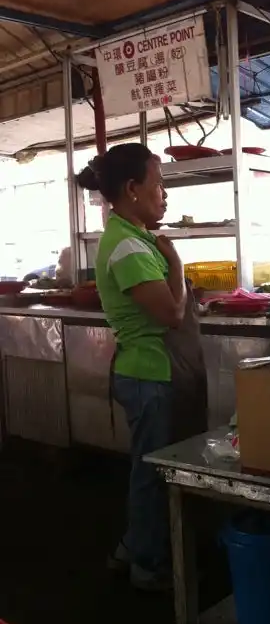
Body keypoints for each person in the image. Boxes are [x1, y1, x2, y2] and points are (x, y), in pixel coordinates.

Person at [77, 144, 208, 592]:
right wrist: (176, 263)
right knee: (153, 474)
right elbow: (170, 314)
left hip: (158, 371)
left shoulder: (136, 236)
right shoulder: (128, 246)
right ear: (132, 189)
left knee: (151, 467)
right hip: (151, 373)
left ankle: (133, 548)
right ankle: (148, 568)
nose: (165, 193)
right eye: (159, 183)